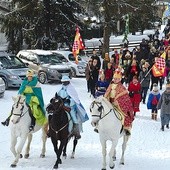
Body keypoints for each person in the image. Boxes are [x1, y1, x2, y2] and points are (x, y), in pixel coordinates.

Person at [104, 70, 134, 135]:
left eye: (117, 79)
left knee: (123, 114)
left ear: (119, 79)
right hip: (109, 102)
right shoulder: (111, 85)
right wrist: (104, 98)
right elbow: (107, 92)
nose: (115, 80)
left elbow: (123, 96)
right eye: (114, 78)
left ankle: (126, 128)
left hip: (118, 104)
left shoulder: (121, 87)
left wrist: (117, 101)